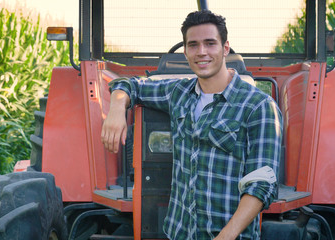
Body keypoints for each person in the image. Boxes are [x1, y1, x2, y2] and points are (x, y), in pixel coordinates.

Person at [101, 10, 283, 240]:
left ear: (225, 48)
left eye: (210, 43)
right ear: (185, 51)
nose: (201, 52)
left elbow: (261, 184)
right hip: (178, 233)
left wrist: (226, 236)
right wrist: (117, 109)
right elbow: (129, 84)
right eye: (193, 45)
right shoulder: (179, 93)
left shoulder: (259, 106)